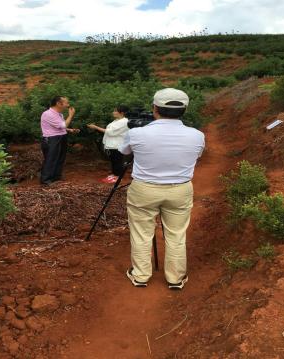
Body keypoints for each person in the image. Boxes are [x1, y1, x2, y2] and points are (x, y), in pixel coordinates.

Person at [119, 88, 205, 290]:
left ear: (154, 108)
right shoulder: (197, 135)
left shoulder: (137, 133)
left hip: (144, 189)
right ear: (184, 110)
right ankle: (175, 278)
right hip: (180, 189)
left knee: (141, 233)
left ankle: (140, 275)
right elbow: (197, 156)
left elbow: (123, 151)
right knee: (176, 234)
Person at [40, 95, 79, 185]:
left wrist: (70, 130)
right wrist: (71, 115)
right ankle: (46, 180)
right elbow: (63, 125)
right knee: (51, 159)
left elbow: (59, 126)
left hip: (61, 137)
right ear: (58, 103)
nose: (68, 104)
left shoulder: (59, 114)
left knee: (60, 158)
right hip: (52, 139)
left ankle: (56, 177)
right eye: (66, 102)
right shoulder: (48, 114)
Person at [87, 105, 129, 184]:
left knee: (118, 161)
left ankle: (118, 177)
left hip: (117, 145)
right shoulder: (116, 121)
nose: (113, 112)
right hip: (112, 145)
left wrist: (96, 127)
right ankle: (114, 174)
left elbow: (110, 132)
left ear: (122, 113)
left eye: (115, 111)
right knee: (113, 160)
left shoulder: (124, 121)